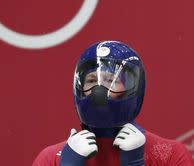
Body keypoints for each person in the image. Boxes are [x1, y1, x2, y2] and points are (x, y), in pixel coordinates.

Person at [32, 40, 193, 165]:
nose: (99, 88)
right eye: (91, 80)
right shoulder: (51, 158)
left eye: (111, 80)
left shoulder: (169, 154)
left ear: (132, 87)